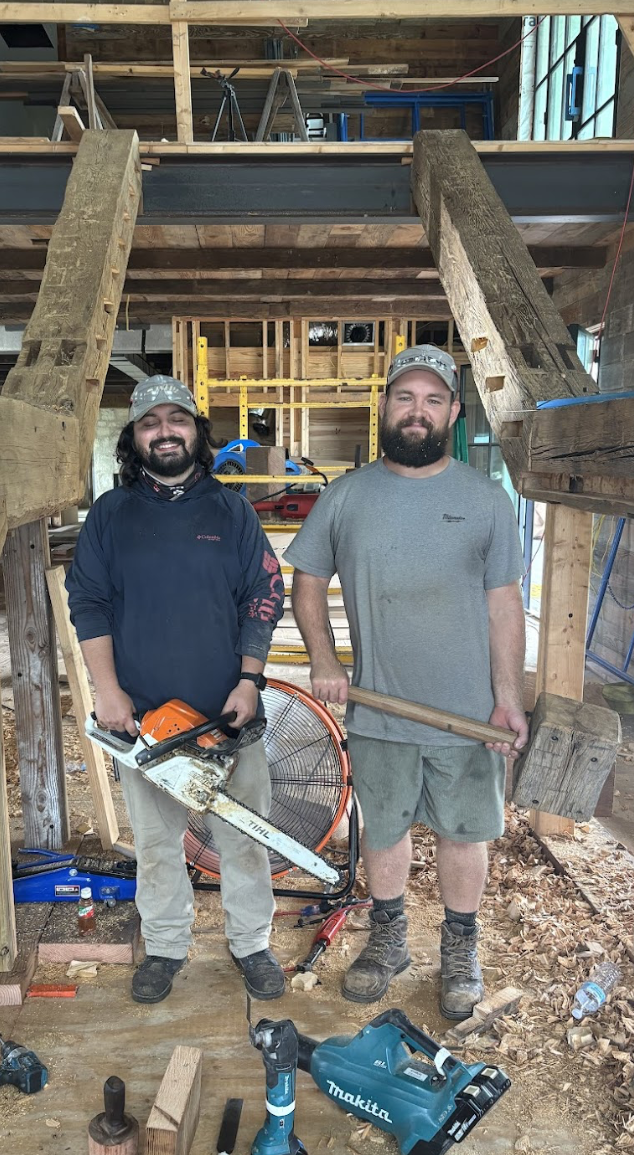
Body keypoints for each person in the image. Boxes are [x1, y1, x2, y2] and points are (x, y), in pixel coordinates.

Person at [285, 346, 528, 1020]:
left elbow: (504, 605)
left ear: (452, 412)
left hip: (467, 717)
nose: (416, 411)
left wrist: (508, 700)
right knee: (385, 832)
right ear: (385, 406)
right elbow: (307, 583)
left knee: (461, 835)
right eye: (404, 398)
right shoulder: (347, 496)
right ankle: (389, 940)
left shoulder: (484, 501)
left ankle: (460, 949)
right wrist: (325, 661)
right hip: (379, 714)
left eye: (432, 400)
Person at [65, 375, 286, 1005]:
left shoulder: (232, 511)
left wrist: (249, 680)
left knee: (245, 836)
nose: (165, 431)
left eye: (177, 419)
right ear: (135, 438)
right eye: (150, 422)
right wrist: (107, 693)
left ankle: (251, 943)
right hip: (146, 723)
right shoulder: (112, 515)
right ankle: (164, 945)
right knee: (159, 844)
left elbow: (263, 598)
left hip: (229, 714)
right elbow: (88, 603)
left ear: (196, 430)